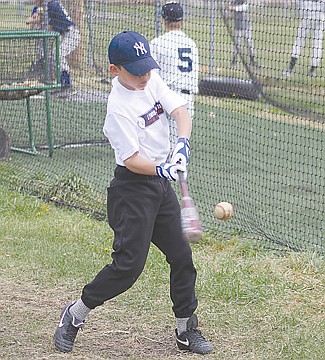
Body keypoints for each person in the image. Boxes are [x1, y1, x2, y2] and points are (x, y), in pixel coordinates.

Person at [53, 30, 213, 355]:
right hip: (132, 189)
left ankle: (185, 329)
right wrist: (164, 169)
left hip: (159, 186)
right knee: (128, 267)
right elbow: (132, 160)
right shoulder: (117, 108)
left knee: (182, 258)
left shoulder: (149, 80)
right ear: (115, 70)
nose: (144, 75)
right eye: (135, 70)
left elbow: (181, 112)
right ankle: (74, 314)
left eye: (147, 67)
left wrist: (182, 144)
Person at [149, 2, 199, 148]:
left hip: (167, 98)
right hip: (188, 99)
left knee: (163, 149)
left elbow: (152, 76)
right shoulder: (191, 43)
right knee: (181, 147)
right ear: (181, 20)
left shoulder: (158, 43)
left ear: (164, 19)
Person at [28, 0, 80, 95]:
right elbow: (32, 24)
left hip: (72, 33)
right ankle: (59, 83)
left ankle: (67, 85)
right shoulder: (39, 8)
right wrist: (34, 20)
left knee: (58, 55)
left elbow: (48, 27)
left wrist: (35, 20)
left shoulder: (52, 5)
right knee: (52, 55)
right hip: (64, 34)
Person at [283, 0, 325, 77]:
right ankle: (312, 71)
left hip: (308, 17)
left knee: (299, 42)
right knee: (317, 44)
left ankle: (290, 70)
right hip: (320, 17)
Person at [226, 0, 258, 68]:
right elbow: (228, 11)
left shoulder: (245, 2)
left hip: (246, 27)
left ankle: (252, 61)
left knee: (249, 44)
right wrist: (227, 7)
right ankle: (234, 61)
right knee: (237, 45)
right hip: (238, 27)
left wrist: (232, 8)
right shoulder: (233, 2)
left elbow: (242, 8)